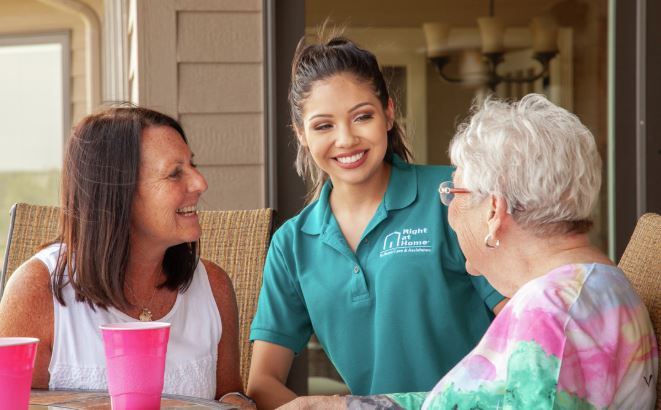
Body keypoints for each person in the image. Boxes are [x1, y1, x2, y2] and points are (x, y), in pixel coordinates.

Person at [283, 94, 659, 409]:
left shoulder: (547, 318)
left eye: (454, 194)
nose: (446, 210)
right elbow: (485, 400)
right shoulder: (601, 284)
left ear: (494, 211)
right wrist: (346, 406)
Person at [246, 35, 505, 409]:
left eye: (362, 116)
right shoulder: (292, 245)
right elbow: (263, 384)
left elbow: (525, 325)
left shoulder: (451, 195)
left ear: (388, 112)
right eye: (323, 126)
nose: (346, 139)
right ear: (300, 134)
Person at [0, 107, 254, 407]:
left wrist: (240, 402)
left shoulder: (213, 287)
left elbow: (228, 396)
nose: (200, 183)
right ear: (117, 193)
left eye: (192, 165)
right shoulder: (38, 292)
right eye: (175, 173)